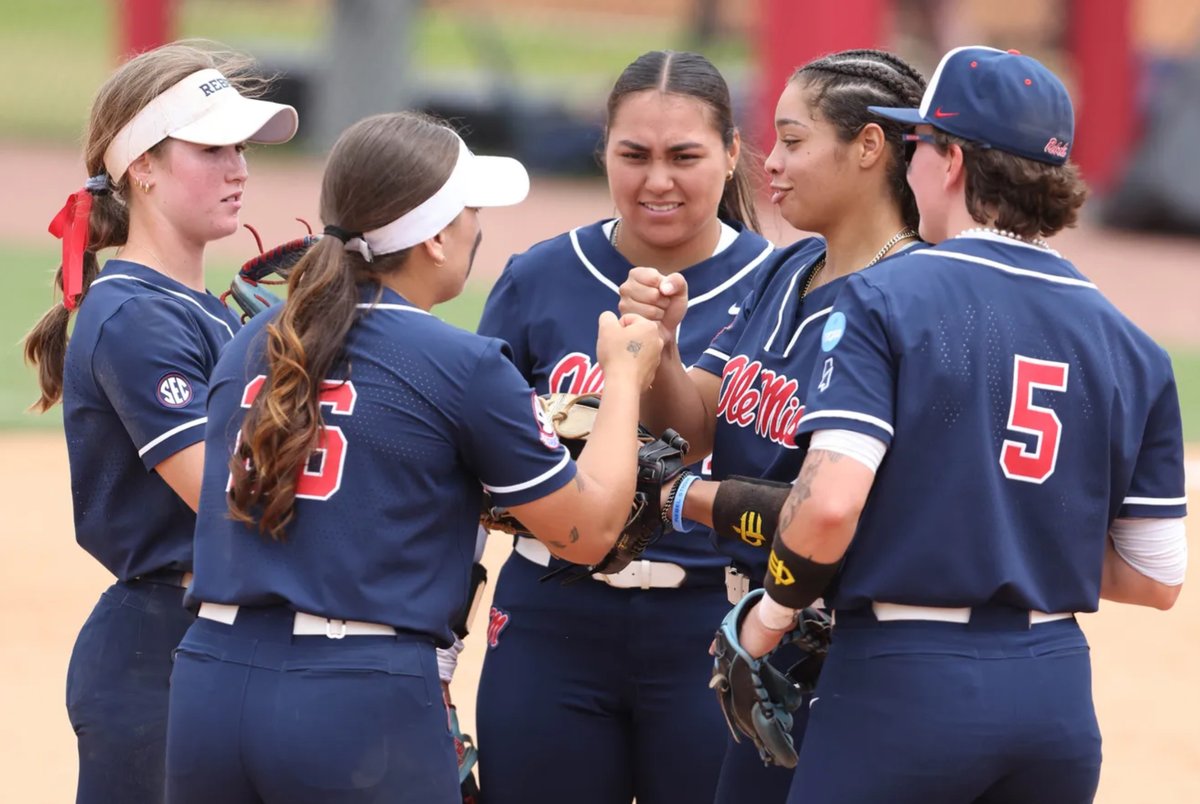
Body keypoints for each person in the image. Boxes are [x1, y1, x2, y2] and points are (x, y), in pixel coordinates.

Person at [163, 111, 664, 804]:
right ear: (433, 237)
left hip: (209, 683)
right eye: (469, 211)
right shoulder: (461, 364)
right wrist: (626, 376)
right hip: (356, 702)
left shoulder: (253, 342)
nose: (477, 227)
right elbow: (589, 532)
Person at [735, 46, 1188, 804]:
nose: (907, 163)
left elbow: (830, 505)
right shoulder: (1131, 344)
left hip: (902, 684)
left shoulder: (884, 298)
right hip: (1054, 696)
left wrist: (767, 622)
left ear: (950, 163)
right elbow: (1156, 576)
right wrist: (1016, 533)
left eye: (917, 143)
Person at [618, 49, 927, 801]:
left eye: (793, 140)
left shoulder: (913, 293)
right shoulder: (787, 269)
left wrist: (677, 497)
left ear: (869, 147)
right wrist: (661, 348)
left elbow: (836, 509)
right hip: (759, 630)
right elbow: (695, 425)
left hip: (845, 644)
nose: (772, 164)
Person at [473, 49, 772, 804]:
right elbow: (469, 473)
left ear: (731, 153)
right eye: (634, 155)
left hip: (712, 618)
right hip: (550, 615)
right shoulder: (539, 276)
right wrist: (441, 646)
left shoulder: (781, 286)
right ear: (603, 150)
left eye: (684, 156)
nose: (657, 180)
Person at [21, 41, 297, 803]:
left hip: (219, 636)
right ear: (142, 166)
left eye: (241, 149)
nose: (238, 169)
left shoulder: (209, 311)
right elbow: (227, 494)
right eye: (211, 149)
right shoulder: (134, 315)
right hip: (159, 651)